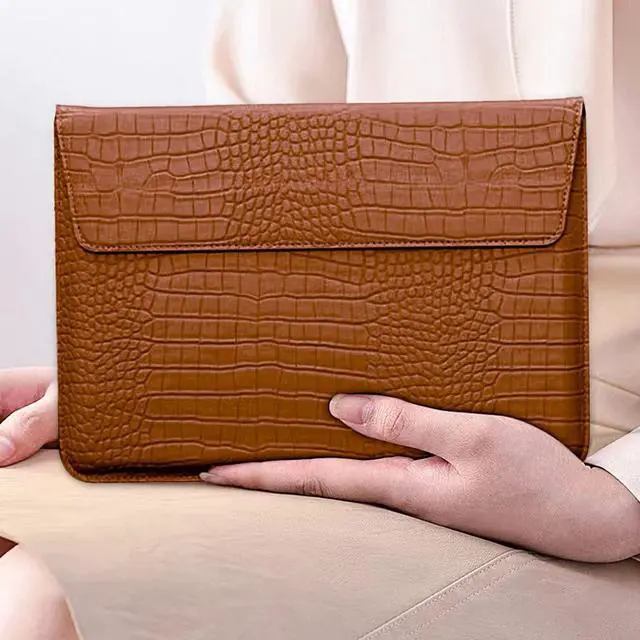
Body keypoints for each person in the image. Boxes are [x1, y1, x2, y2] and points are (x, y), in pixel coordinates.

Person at [1, 0, 639, 567]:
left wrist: (621, 500)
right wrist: (148, 365)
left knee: (52, 593)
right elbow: (259, 163)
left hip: (590, 459)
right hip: (338, 390)